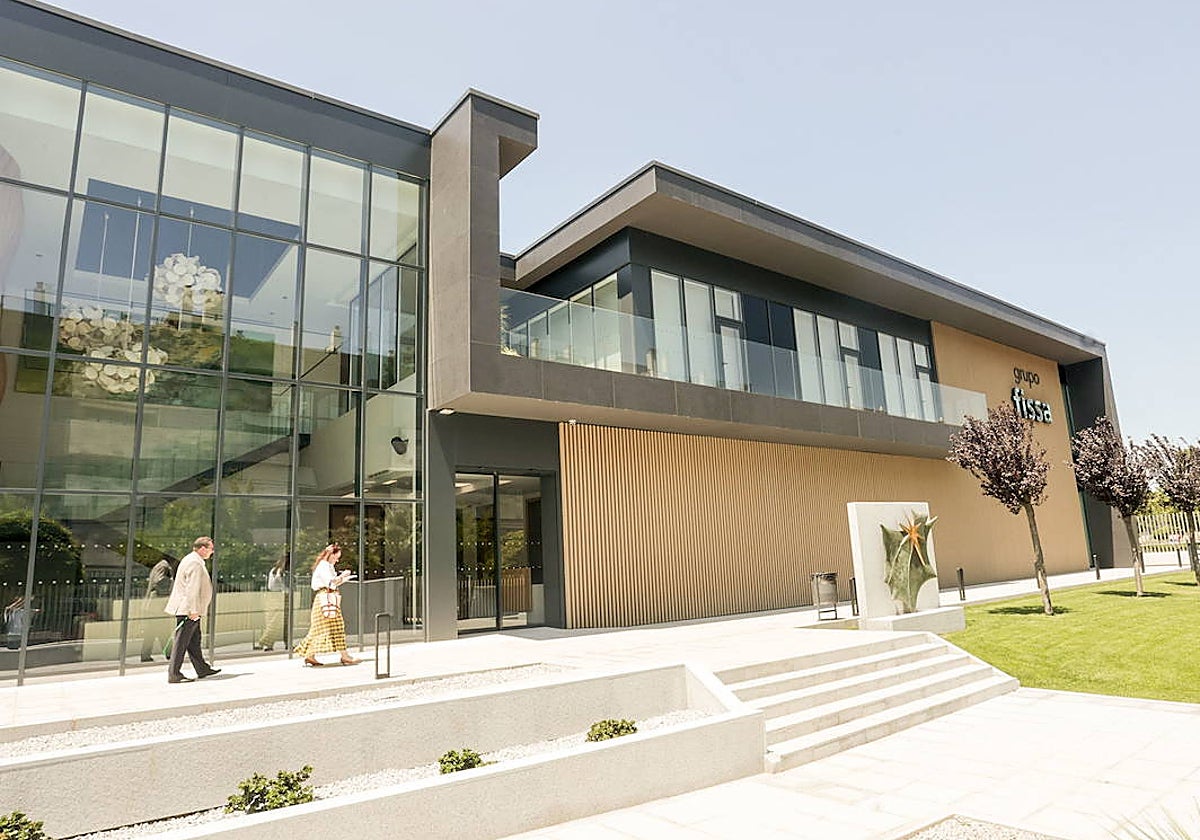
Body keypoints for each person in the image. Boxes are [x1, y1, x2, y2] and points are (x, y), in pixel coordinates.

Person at [164, 536, 221, 684]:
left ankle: (202, 668)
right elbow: (192, 588)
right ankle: (174, 673)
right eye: (211, 549)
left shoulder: (192, 560)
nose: (212, 552)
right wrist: (194, 610)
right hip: (188, 609)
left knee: (194, 640)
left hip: (189, 609)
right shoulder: (195, 563)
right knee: (182, 641)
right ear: (202, 548)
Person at [293, 543, 360, 667]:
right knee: (335, 626)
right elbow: (331, 583)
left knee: (319, 628)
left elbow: (332, 583)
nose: (337, 560)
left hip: (326, 598)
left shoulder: (326, 566)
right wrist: (343, 576)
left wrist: (342, 578)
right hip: (326, 599)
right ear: (331, 555)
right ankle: (345, 656)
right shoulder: (324, 566)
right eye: (336, 557)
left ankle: (310, 655)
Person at [139, 555, 175, 662]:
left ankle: (147, 655)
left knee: (152, 632)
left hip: (152, 606)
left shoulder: (159, 566)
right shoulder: (163, 566)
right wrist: (171, 583)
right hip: (157, 606)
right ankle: (170, 654)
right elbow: (160, 581)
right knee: (163, 631)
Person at [255, 552, 289, 652]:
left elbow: (270, 585)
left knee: (273, 621)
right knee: (276, 622)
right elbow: (280, 584)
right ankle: (265, 642)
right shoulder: (279, 572)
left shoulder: (272, 571)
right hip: (279, 597)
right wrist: (287, 590)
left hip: (271, 596)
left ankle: (267, 643)